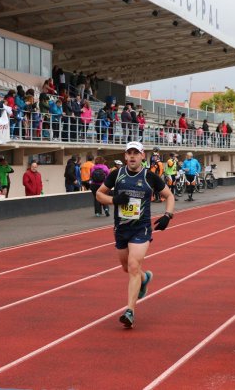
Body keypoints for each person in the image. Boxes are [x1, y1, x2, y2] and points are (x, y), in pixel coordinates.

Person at [96, 141, 175, 329]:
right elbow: (99, 194)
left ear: (142, 156)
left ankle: (129, 311)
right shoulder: (116, 175)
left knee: (133, 266)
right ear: (125, 156)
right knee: (127, 268)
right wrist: (114, 200)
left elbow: (169, 196)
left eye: (135, 153)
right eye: (129, 153)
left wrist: (167, 215)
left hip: (142, 228)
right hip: (121, 229)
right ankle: (144, 278)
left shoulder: (150, 177)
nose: (132, 156)